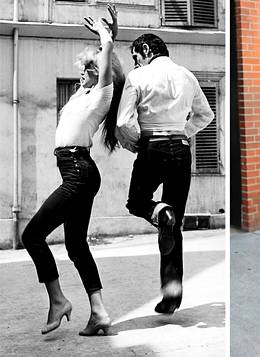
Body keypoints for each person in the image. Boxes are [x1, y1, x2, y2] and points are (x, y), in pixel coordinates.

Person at [21, 4, 124, 335]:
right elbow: (100, 64)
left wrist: (106, 40)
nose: (81, 72)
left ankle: (58, 301)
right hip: (76, 171)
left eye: (87, 68)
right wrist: (109, 38)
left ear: (98, 73)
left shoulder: (101, 96)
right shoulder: (83, 94)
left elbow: (108, 68)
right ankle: (99, 313)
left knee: (32, 235)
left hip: (79, 170)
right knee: (76, 245)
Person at [115, 34, 214, 314]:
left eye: (135, 56)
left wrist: (137, 142)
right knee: (174, 225)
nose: (135, 63)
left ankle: (161, 212)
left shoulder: (139, 77)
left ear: (145, 50)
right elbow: (205, 115)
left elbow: (123, 120)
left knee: (137, 202)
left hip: (152, 146)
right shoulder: (187, 75)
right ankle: (171, 295)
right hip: (181, 149)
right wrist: (183, 133)